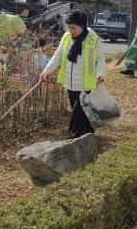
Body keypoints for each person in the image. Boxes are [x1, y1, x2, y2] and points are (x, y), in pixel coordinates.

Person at [40, 11, 106, 139]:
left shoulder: (93, 39)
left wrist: (100, 74)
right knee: (79, 111)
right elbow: (58, 56)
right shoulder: (66, 37)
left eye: (73, 27)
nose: (70, 30)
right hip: (70, 81)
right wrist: (46, 71)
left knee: (78, 111)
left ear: (82, 26)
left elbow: (100, 59)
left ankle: (73, 135)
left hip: (85, 82)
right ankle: (88, 131)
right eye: (69, 27)